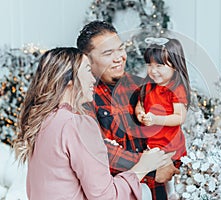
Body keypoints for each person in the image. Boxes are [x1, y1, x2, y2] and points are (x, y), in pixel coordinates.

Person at [13, 47, 173, 200]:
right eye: (88, 71)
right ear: (69, 80)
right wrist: (143, 166)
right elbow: (106, 196)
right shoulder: (77, 124)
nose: (93, 79)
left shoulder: (43, 120)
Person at [77, 21, 180, 200]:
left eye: (120, 49)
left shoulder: (141, 86)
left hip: (157, 192)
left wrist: (170, 159)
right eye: (108, 53)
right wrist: (150, 168)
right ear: (87, 59)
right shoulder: (82, 97)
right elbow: (97, 151)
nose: (119, 57)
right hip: (118, 193)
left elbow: (167, 130)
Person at [135, 37, 191, 199]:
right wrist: (140, 113)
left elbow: (179, 117)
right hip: (151, 140)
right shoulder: (148, 86)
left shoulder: (176, 89)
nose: (153, 70)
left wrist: (157, 119)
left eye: (159, 65)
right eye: (149, 65)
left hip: (169, 141)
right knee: (154, 173)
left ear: (174, 65)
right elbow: (140, 102)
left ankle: (173, 191)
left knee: (168, 168)